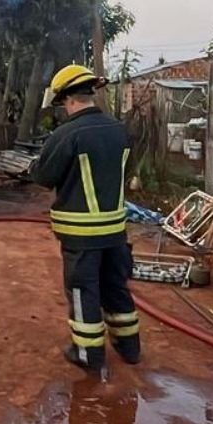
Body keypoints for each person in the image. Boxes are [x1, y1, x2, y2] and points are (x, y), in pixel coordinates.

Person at [29, 64, 141, 373]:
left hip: (81, 237)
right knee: (116, 286)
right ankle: (130, 348)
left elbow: (44, 176)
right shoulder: (120, 131)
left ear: (68, 99)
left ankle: (88, 353)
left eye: (63, 103)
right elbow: (123, 174)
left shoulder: (67, 135)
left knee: (83, 291)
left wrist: (32, 167)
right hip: (116, 232)